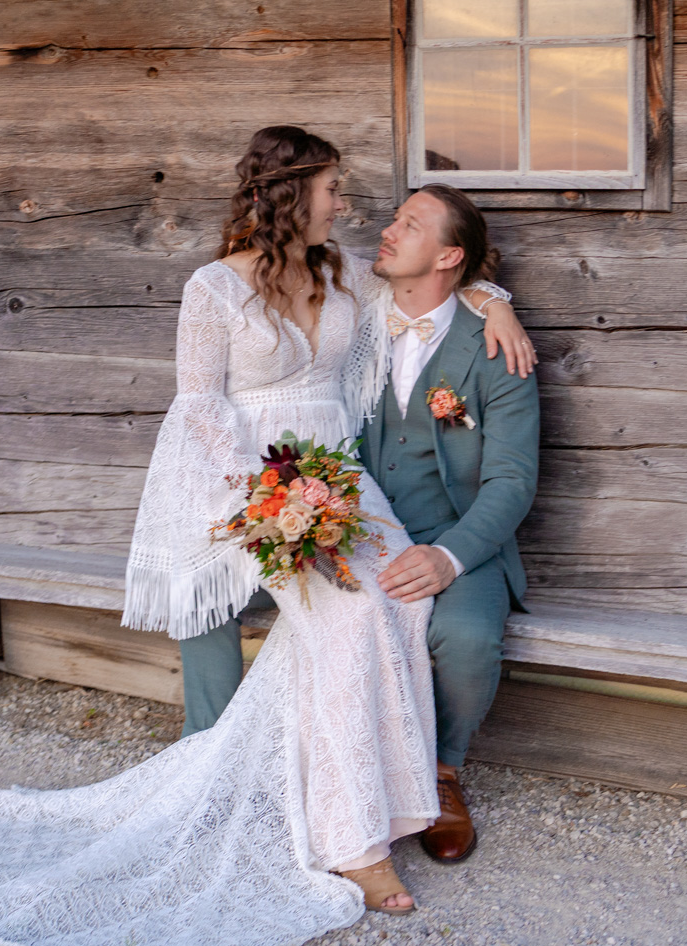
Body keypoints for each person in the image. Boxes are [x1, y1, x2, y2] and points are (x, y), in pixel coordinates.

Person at [0, 126, 533, 946]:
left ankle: (391, 796)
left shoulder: (343, 276)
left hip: (335, 480)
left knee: (394, 607)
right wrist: (261, 498)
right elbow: (199, 407)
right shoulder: (212, 289)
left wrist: (495, 300)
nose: (346, 205)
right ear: (293, 194)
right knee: (343, 619)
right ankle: (351, 844)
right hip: (246, 482)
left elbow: (435, 296)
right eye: (334, 189)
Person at [179, 182, 539, 867]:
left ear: (449, 256)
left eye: (410, 224)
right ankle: (217, 766)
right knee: (204, 589)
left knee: (465, 638)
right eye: (394, 218)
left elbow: (513, 481)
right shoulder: (354, 316)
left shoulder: (496, 347)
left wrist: (450, 557)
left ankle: (441, 773)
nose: (386, 230)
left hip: (453, 533)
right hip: (349, 523)